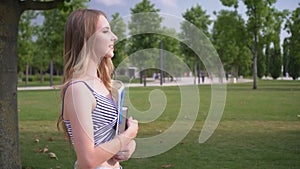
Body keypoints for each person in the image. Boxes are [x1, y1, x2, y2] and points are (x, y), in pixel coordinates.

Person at [57, 9, 139, 169]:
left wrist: (129, 145)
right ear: (86, 39)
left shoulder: (105, 84)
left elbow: (110, 140)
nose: (114, 37)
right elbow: (87, 161)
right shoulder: (78, 90)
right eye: (105, 31)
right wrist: (129, 134)